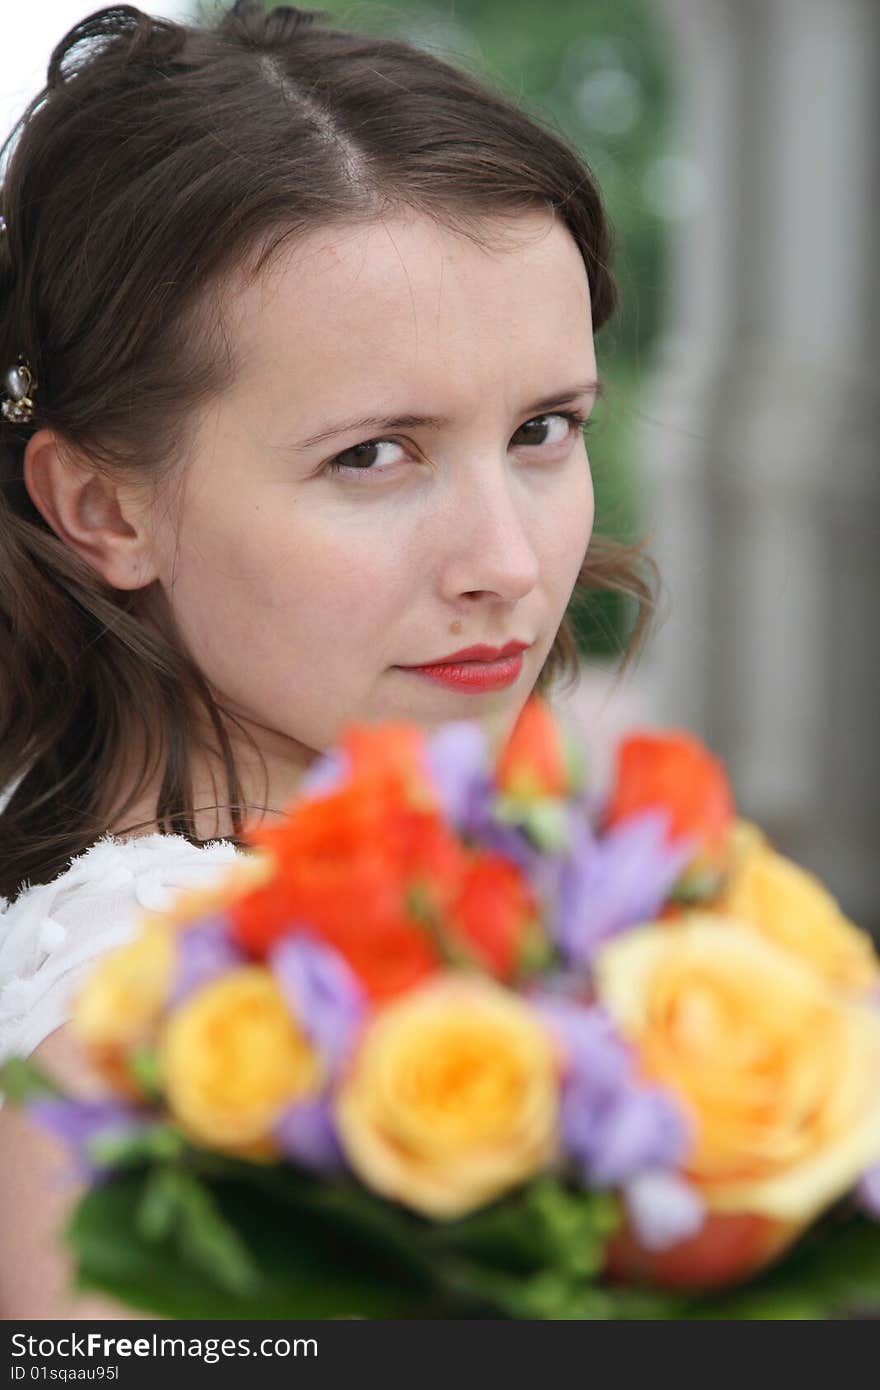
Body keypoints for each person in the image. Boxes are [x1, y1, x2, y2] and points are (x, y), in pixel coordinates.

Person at [0, 1, 656, 1318]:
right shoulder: (142, 1062)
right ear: (104, 509)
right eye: (372, 455)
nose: (510, 565)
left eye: (543, 428)